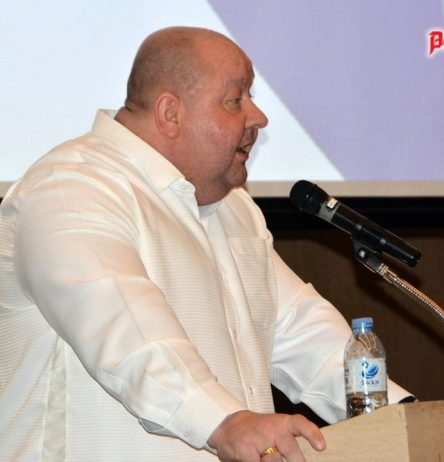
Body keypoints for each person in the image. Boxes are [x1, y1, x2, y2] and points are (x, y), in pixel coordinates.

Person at [0, 27, 412, 461]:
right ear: (170, 113)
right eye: (236, 99)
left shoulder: (233, 208)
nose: (259, 117)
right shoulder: (71, 189)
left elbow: (302, 332)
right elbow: (129, 336)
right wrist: (227, 423)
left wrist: (401, 417)